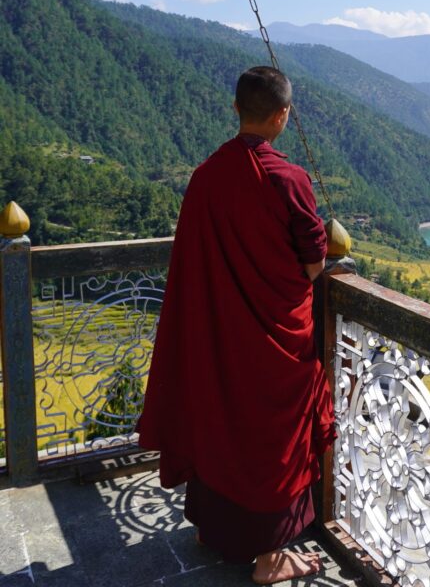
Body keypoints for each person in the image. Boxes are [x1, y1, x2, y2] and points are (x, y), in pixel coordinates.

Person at [137, 66, 335, 584]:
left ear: (236, 110)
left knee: (220, 418)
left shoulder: (206, 175)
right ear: (282, 115)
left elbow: (194, 258)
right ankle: (270, 557)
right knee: (273, 437)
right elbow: (314, 264)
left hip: (218, 330)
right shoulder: (287, 178)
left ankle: (214, 529)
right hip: (277, 338)